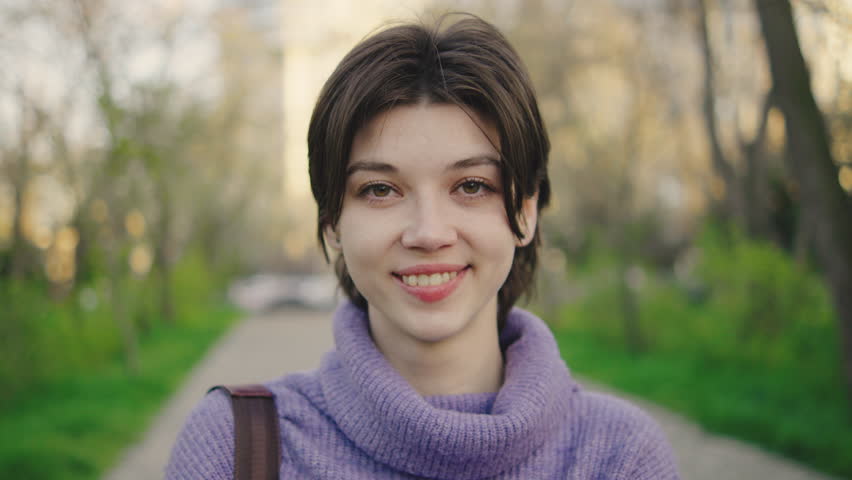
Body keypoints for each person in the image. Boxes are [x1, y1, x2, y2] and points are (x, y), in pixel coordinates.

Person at [166, 13, 680, 479]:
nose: (429, 233)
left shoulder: (620, 457)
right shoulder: (238, 449)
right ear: (331, 223)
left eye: (472, 186)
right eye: (381, 190)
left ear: (525, 211)